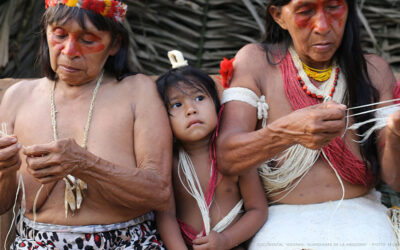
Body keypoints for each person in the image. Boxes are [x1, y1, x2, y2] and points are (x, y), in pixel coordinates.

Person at [216, 0, 400, 249]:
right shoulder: (255, 63)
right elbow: (227, 156)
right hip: (280, 220)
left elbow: (395, 179)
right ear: (279, 16)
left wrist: (395, 132)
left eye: (334, 7)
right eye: (306, 11)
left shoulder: (373, 70)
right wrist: (288, 131)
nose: (323, 26)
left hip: (365, 214)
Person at [0, 0, 171, 249]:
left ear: (114, 44)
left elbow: (160, 193)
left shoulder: (137, 92)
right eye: (59, 35)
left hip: (127, 243)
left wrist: (85, 164)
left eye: (88, 40)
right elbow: (3, 204)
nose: (69, 50)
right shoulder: (17, 97)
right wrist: (5, 171)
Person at [155, 51, 268, 250]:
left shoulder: (234, 154)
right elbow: (167, 216)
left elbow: (257, 210)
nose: (191, 109)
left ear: (218, 105)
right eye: (177, 104)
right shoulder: (170, 163)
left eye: (199, 98)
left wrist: (225, 241)